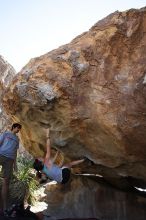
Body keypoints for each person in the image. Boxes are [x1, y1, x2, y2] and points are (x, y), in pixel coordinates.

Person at [0, 123, 22, 215]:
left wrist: (15, 165)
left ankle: (4, 207)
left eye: (19, 129)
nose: (18, 130)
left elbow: (15, 152)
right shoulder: (6, 134)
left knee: (6, 182)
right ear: (13, 127)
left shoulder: (17, 139)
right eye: (17, 128)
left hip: (10, 160)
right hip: (1, 155)